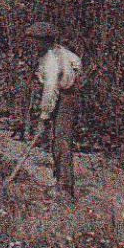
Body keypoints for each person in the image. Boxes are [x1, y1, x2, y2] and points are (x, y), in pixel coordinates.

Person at [23, 21, 82, 195]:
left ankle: (64, 187)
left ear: (44, 40)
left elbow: (50, 90)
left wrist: (44, 117)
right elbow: (77, 64)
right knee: (58, 139)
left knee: (61, 141)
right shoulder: (61, 52)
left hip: (65, 97)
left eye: (34, 40)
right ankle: (61, 181)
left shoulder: (51, 60)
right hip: (68, 93)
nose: (32, 44)